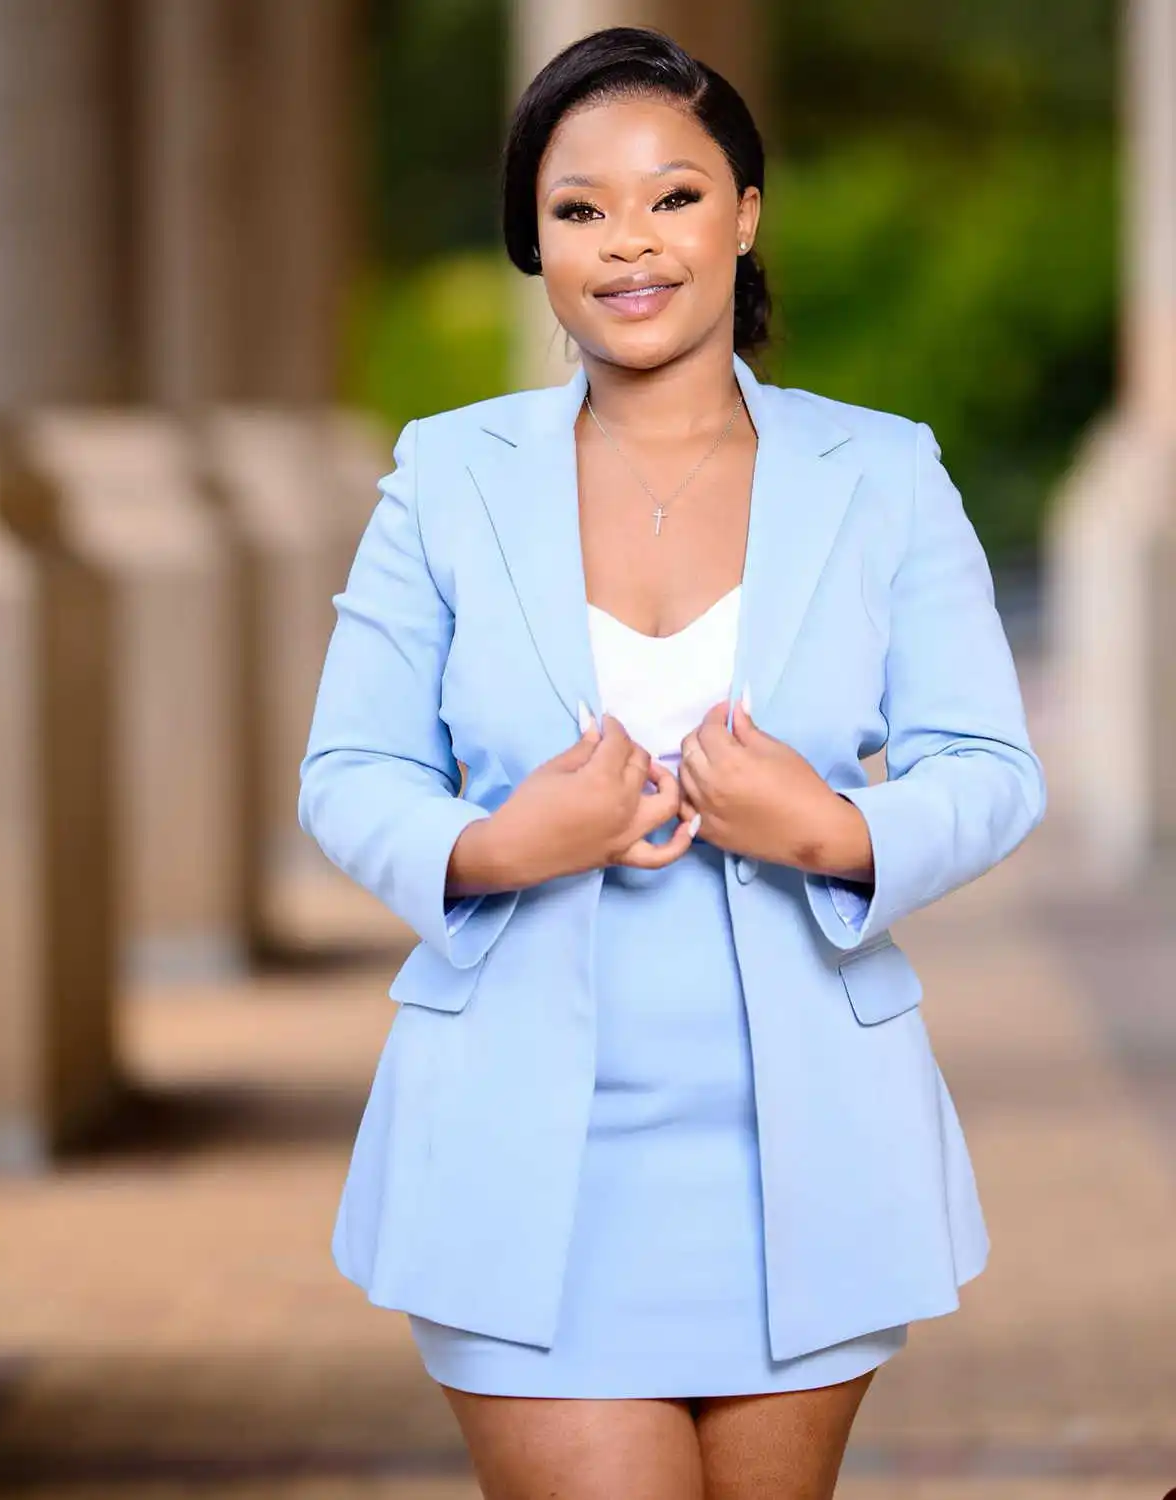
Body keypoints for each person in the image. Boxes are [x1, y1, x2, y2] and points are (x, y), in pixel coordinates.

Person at [298, 25, 1047, 1500]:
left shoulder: (882, 470)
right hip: (520, 1167)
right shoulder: (449, 474)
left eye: (675, 197)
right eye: (578, 209)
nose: (627, 244)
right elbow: (352, 769)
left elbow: (990, 765)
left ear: (746, 214)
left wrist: (832, 828)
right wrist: (508, 844)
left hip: (804, 1166)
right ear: (537, 240)